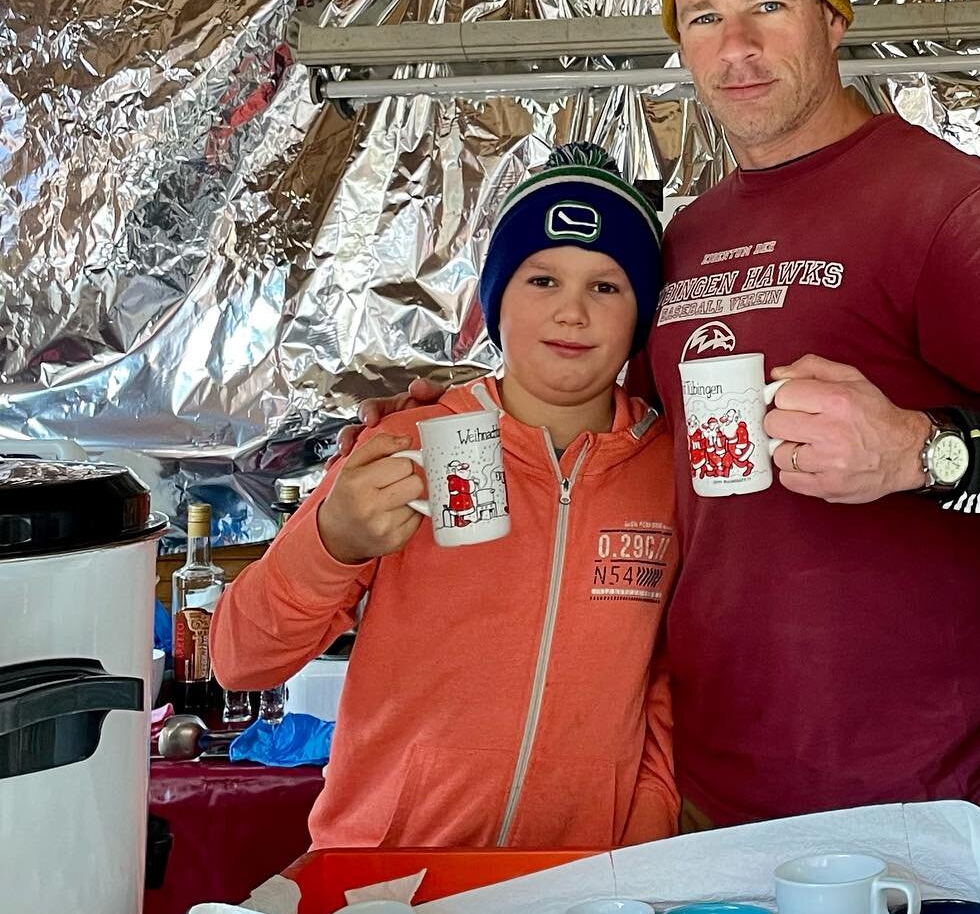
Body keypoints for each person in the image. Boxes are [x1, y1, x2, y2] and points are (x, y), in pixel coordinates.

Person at [352, 0, 980, 834]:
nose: (739, 48)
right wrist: (465, 407)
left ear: (833, 17)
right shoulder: (691, 235)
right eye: (704, 17)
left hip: (913, 791)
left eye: (770, 3)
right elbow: (619, 430)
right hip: (699, 780)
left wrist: (921, 453)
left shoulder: (942, 204)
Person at [211, 144, 680, 850]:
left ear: (641, 314)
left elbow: (665, 684)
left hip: (576, 896)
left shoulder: (671, 471)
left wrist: (633, 851)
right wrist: (332, 542)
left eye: (606, 287)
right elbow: (238, 659)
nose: (573, 313)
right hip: (390, 881)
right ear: (496, 300)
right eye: (543, 279)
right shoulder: (403, 443)